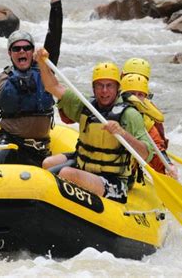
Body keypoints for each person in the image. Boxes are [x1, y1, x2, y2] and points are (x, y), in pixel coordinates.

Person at [36, 49, 154, 203]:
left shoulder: (129, 115)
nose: (104, 91)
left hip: (113, 180)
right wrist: (42, 63)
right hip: (84, 164)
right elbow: (53, 87)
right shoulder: (86, 105)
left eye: (109, 86)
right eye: (99, 86)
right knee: (47, 163)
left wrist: (123, 133)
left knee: (66, 173)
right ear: (93, 88)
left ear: (117, 88)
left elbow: (146, 154)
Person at [0, 0, 62, 167]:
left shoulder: (46, 71)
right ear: (10, 53)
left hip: (40, 148)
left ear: (33, 52)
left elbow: (55, 35)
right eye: (16, 49)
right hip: (8, 144)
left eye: (26, 48)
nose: (22, 52)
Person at [120, 73, 178, 179]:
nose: (135, 99)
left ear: (145, 98)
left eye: (140, 95)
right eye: (132, 94)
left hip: (129, 172)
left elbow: (156, 149)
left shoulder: (147, 122)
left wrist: (168, 165)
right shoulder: (110, 111)